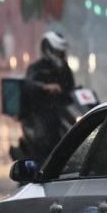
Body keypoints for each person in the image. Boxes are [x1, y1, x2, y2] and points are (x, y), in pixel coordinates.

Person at [20, 31, 75, 160]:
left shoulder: (65, 69)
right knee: (45, 138)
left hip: (61, 111)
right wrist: (44, 87)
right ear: (48, 49)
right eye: (58, 52)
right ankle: (42, 166)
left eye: (62, 53)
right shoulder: (36, 68)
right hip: (41, 113)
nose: (61, 56)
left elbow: (70, 87)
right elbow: (28, 85)